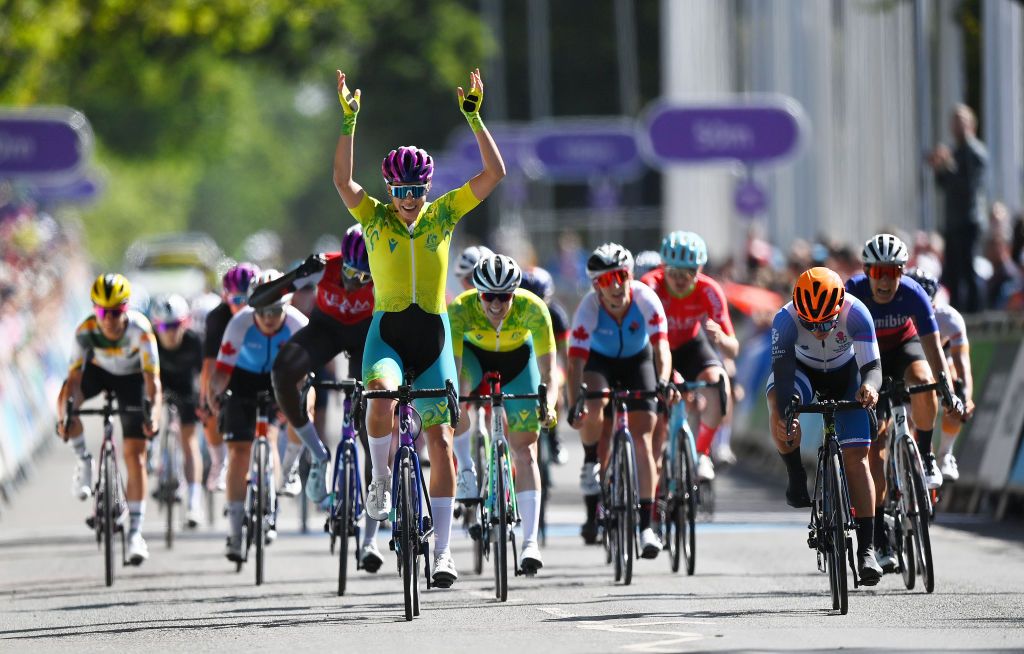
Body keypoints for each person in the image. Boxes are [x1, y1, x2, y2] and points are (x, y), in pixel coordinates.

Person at [330, 67, 505, 587]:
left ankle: (445, 552)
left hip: (433, 336)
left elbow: (494, 174)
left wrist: (475, 119)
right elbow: (342, 180)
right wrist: (348, 122)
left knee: (442, 439)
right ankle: (381, 478)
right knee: (379, 399)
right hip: (386, 335)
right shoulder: (376, 217)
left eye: (417, 188)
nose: (409, 197)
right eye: (401, 188)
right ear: (391, 187)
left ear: (427, 187)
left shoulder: (444, 214)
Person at [251, 225, 384, 572]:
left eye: (366, 277)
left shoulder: (387, 268)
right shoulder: (326, 265)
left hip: (365, 337)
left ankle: (370, 540)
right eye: (352, 273)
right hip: (324, 331)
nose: (356, 282)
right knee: (282, 372)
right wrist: (297, 275)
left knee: (373, 431)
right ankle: (317, 454)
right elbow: (258, 300)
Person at [846, 234, 964, 571]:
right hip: (869, 357)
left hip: (903, 348)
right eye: (878, 271)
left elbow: (933, 348)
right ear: (867, 271)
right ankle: (880, 531)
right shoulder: (852, 291)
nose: (885, 280)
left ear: (902, 272)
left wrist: (946, 389)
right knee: (875, 449)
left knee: (924, 381)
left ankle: (925, 456)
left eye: (893, 271)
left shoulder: (912, 294)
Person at [766, 267, 883, 585]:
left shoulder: (857, 313)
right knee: (778, 400)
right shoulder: (785, 320)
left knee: (856, 458)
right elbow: (784, 374)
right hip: (803, 372)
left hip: (847, 377)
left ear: (839, 309)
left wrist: (870, 387)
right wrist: (787, 411)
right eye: (811, 323)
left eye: (827, 323)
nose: (819, 330)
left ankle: (867, 549)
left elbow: (872, 366)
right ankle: (795, 475)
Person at [566, 243, 679, 557]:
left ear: (630, 275)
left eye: (621, 276)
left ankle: (646, 527)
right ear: (595, 286)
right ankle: (591, 460)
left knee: (642, 438)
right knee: (593, 404)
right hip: (598, 362)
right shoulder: (588, 308)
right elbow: (575, 362)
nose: (616, 285)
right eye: (606, 280)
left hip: (637, 361)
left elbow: (661, 350)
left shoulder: (646, 299)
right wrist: (574, 400)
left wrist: (662, 382)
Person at [448, 254, 558, 573]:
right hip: (473, 358)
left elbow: (549, 372)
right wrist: (458, 400)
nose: (496, 304)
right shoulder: (460, 309)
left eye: (504, 296)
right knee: (460, 393)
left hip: (518, 364)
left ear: (515, 293)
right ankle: (467, 470)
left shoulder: (534, 309)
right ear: (477, 292)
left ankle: (530, 544)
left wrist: (547, 403)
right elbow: (453, 371)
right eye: (488, 296)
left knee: (525, 453)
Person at [56, 274, 162, 565]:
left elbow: (153, 381)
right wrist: (66, 414)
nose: (109, 319)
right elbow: (73, 380)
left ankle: (135, 534)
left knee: (135, 455)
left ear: (126, 310)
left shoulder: (141, 331)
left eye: (116, 312)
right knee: (66, 402)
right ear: (95, 310)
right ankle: (84, 460)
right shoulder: (85, 331)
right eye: (103, 312)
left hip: (131, 380)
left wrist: (153, 415)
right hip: (98, 374)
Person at [207, 270, 309, 562]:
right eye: (261, 311)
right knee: (239, 452)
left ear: (286, 306)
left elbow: (307, 375)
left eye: (275, 310)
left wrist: (301, 404)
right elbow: (221, 373)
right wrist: (215, 395)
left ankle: (273, 501)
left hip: (282, 377)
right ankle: (236, 533)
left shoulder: (298, 324)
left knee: (277, 431)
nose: (267, 317)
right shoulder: (238, 324)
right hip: (243, 380)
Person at [641, 231, 738, 482]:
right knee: (657, 430)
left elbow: (733, 348)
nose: (681, 280)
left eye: (688, 274)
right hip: (656, 349)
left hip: (690, 345)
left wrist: (721, 339)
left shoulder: (709, 290)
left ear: (700, 270)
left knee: (719, 383)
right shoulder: (650, 286)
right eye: (674, 273)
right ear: (663, 269)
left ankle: (702, 453)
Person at [904, 268, 976, 481]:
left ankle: (945, 453)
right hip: (906, 366)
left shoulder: (949, 319)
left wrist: (965, 397)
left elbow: (963, 365)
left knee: (958, 392)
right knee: (903, 422)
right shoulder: (895, 317)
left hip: (940, 366)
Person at [199, 262, 261, 495]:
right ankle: (219, 461)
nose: (243, 306)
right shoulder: (217, 318)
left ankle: (269, 488)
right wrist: (205, 399)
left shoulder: (266, 311)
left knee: (270, 433)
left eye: (248, 300)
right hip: (228, 370)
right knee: (211, 410)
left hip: (259, 368)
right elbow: (209, 365)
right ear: (225, 298)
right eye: (236, 301)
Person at [150, 294, 205, 527]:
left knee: (188, 440)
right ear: (156, 326)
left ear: (185, 323)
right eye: (164, 326)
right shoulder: (149, 340)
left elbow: (205, 376)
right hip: (159, 383)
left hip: (186, 387)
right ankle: (156, 459)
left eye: (175, 326)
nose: (170, 332)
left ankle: (194, 502)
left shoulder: (194, 341)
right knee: (150, 415)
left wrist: (205, 400)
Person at [928, 104, 988, 313]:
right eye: (954, 122)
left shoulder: (975, 152)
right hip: (953, 223)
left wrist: (948, 165)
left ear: (971, 124)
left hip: (968, 221)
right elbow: (944, 185)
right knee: (952, 273)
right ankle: (956, 314)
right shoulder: (955, 151)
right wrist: (938, 167)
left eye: (961, 121)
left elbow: (968, 186)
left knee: (968, 272)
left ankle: (975, 314)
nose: (957, 127)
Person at [519, 265, 570, 465]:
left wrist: (565, 381)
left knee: (556, 382)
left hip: (549, 360)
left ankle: (555, 436)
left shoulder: (556, 315)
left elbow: (565, 354)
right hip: (524, 360)